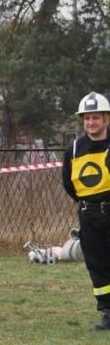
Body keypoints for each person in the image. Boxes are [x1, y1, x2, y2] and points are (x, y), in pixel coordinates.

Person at [62, 91, 110, 330]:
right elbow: (68, 184)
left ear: (106, 119)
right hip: (88, 216)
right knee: (97, 266)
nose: (91, 123)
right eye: (87, 118)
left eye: (96, 118)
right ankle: (107, 312)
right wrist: (87, 205)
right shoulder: (74, 149)